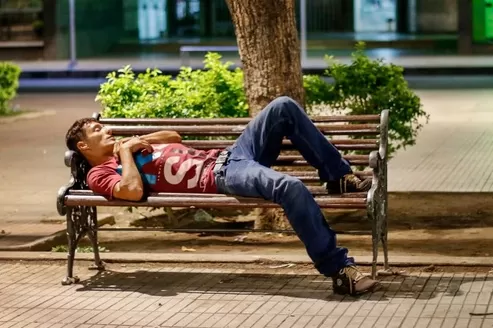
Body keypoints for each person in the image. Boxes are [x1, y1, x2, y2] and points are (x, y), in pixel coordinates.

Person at [65, 96, 379, 296]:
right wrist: (125, 154)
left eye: (104, 126)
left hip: (230, 156)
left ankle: (338, 177)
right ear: (84, 147)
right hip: (222, 176)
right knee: (290, 187)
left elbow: (174, 137)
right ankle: (340, 270)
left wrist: (138, 141)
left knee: (283, 106)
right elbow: (131, 191)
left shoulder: (129, 146)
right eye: (97, 130)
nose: (106, 130)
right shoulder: (100, 172)